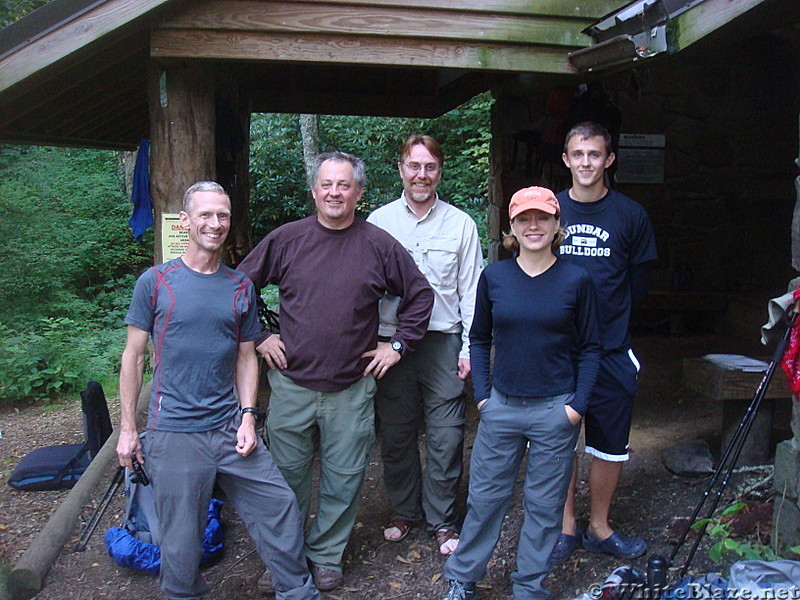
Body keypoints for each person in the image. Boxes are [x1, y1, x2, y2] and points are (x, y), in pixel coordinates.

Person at [237, 151, 434, 592]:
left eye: (344, 185)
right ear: (314, 190)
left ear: (358, 193)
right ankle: (284, 560)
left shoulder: (378, 244)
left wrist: (398, 345)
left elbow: (420, 295)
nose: (334, 193)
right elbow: (237, 286)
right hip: (291, 385)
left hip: (352, 387)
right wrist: (258, 335)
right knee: (285, 480)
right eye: (326, 184)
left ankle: (325, 555)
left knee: (344, 479)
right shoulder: (287, 239)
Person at [116, 181, 321, 600]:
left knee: (277, 504)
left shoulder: (239, 286)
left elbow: (247, 357)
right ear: (186, 221)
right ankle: (183, 593)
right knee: (180, 537)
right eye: (206, 215)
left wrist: (248, 415)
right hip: (173, 431)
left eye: (222, 215)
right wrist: (128, 429)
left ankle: (297, 591)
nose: (215, 223)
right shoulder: (156, 283)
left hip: (229, 428)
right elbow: (133, 357)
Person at [440, 186, 601, 600]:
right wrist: (484, 399)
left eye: (542, 218)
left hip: (555, 409)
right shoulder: (495, 277)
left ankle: (530, 586)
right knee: (486, 499)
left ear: (556, 225)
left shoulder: (576, 280)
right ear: (511, 227)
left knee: (545, 508)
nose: (534, 226)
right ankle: (463, 577)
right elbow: (478, 338)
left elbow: (590, 347)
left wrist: (576, 407)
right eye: (524, 219)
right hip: (502, 408)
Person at [366, 135, 484, 555]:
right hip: (390, 342)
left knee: (446, 436)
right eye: (413, 166)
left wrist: (470, 348)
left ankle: (443, 520)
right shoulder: (378, 223)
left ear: (440, 171)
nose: (421, 175)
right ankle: (403, 511)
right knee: (396, 432)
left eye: (429, 167)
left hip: (442, 341)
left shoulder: (460, 225)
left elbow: (471, 292)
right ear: (400, 169)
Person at [550, 121, 658, 563]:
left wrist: (608, 321)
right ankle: (565, 528)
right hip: (558, 350)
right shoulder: (549, 210)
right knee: (557, 440)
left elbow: (639, 282)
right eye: (578, 154)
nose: (586, 163)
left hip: (612, 348)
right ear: (566, 160)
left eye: (595, 154)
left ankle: (600, 526)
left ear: (609, 159)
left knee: (609, 442)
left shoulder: (630, 215)